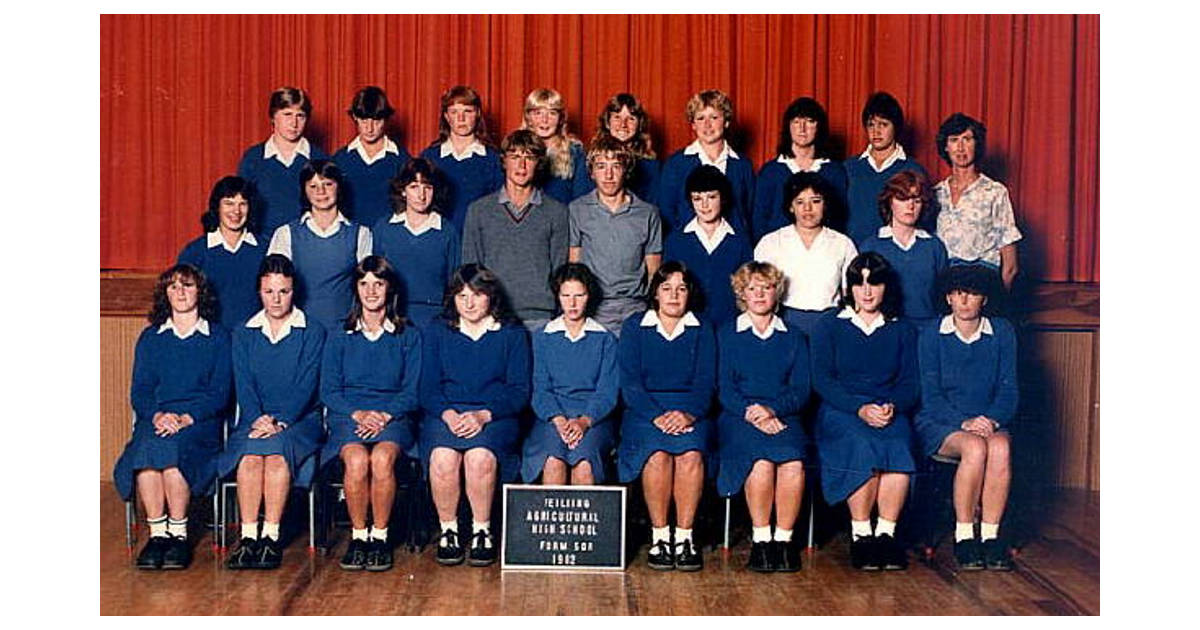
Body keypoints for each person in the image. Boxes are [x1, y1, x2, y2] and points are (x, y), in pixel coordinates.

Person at [113, 264, 232, 570]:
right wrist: (157, 416)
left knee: (174, 452)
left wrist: (186, 418)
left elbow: (220, 393)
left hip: (198, 423)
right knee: (147, 452)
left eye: (188, 286)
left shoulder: (218, 337)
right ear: (165, 294)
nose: (181, 292)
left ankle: (178, 535)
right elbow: (140, 392)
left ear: (199, 291)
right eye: (174, 287)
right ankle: (157, 535)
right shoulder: (151, 338)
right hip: (157, 420)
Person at [810, 253, 919, 571]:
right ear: (849, 287)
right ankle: (862, 535)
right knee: (862, 445)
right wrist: (858, 408)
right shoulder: (830, 324)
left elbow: (911, 383)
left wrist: (891, 407)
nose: (867, 291)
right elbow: (822, 379)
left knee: (898, 445)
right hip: (842, 410)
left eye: (875, 283)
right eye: (859, 283)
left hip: (887, 409)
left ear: (887, 287)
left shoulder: (902, 329)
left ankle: (886, 536)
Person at [219, 254, 326, 570]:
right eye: (269, 291)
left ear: (294, 291)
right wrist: (257, 418)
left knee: (277, 455)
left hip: (299, 421)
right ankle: (250, 537)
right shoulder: (243, 332)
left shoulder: (312, 330)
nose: (277, 299)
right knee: (251, 458)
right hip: (255, 419)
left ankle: (271, 537)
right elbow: (244, 384)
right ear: (259, 292)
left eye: (284, 291)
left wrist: (282, 421)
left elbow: (308, 385)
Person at [420, 264, 531, 567]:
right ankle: (449, 530)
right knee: (443, 458)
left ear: (490, 297)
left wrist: (484, 415)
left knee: (479, 457)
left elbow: (520, 391)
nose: (468, 303)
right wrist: (448, 414)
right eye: (461, 295)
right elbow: (427, 388)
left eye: (477, 295)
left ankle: (482, 530)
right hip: (446, 414)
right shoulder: (437, 330)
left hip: (494, 416)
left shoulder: (511, 332)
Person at [319, 256, 423, 572]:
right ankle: (359, 536)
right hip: (349, 417)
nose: (371, 291)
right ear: (356, 289)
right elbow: (329, 390)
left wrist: (384, 415)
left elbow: (413, 389)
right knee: (355, 460)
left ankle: (379, 536)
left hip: (394, 418)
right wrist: (359, 414)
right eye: (364, 284)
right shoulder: (340, 335)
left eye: (378, 283)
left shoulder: (408, 334)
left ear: (389, 288)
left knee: (381, 459)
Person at [915, 265, 1017, 571]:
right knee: (974, 447)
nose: (964, 300)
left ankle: (990, 536)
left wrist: (992, 420)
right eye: (958, 293)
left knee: (1000, 448)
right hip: (941, 423)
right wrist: (965, 424)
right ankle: (964, 536)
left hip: (988, 420)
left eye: (972, 294)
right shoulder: (932, 334)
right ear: (948, 297)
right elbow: (930, 397)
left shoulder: (1002, 332)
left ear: (983, 298)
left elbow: (1009, 391)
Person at [618, 262, 717, 572]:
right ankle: (661, 536)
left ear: (690, 294)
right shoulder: (635, 326)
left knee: (690, 455)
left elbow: (707, 381)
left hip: (690, 410)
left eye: (681, 289)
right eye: (666, 288)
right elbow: (630, 382)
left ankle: (685, 537)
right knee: (657, 455)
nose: (674, 296)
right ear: (655, 293)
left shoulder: (702, 328)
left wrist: (688, 414)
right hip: (645, 412)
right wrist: (656, 416)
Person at [716, 261, 811, 572]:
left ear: (777, 293)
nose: (759, 294)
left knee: (793, 462)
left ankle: (783, 541)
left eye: (766, 287)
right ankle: (761, 539)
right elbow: (724, 387)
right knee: (760, 461)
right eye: (751, 288)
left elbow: (801, 388)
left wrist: (773, 410)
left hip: (784, 415)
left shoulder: (794, 336)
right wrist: (753, 413)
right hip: (739, 416)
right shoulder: (727, 333)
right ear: (741, 293)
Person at [461, 129, 570, 332]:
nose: (521, 165)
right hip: (492, 317)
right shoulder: (479, 210)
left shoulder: (557, 212)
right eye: (515, 157)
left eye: (529, 158)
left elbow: (559, 271)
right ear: (504, 161)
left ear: (538, 163)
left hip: (540, 317)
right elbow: (470, 268)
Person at [522, 263, 619, 485]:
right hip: (553, 417)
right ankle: (553, 521)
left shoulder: (605, 339)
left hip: (593, 418)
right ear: (557, 296)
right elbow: (540, 388)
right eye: (566, 295)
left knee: (584, 464)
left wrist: (584, 421)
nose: (572, 303)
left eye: (579, 295)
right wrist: (558, 420)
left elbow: (607, 392)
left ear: (589, 296)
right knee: (553, 461)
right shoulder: (543, 338)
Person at [569, 136, 663, 336]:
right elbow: (574, 265)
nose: (609, 175)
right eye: (601, 166)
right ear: (592, 172)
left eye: (616, 166)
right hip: (595, 308)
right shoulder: (577, 210)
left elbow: (653, 270)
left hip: (635, 306)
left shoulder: (647, 213)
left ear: (626, 170)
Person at [268, 159, 372, 332]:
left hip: (345, 329)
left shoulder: (361, 234)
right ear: (304, 191)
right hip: (299, 330)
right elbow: (274, 288)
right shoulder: (286, 234)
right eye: (313, 186)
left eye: (328, 184)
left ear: (338, 187)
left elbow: (368, 288)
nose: (321, 192)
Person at [753, 171, 858, 337]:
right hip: (783, 322)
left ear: (825, 204)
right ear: (790, 206)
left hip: (829, 323)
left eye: (815, 201)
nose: (807, 209)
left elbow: (851, 295)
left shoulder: (843, 244)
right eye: (800, 202)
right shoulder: (771, 242)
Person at [933, 113, 1022, 291]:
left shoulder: (995, 192)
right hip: (946, 285)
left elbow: (1010, 265)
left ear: (977, 144)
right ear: (946, 147)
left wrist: (998, 302)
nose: (960, 147)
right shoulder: (935, 193)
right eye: (954, 140)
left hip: (982, 283)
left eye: (967, 139)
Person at [372, 157, 461, 328]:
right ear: (402, 191)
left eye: (427, 187)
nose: (421, 195)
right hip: (392, 317)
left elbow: (454, 283)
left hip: (435, 319)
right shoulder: (384, 228)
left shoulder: (447, 231)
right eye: (414, 187)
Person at [663, 165, 753, 327]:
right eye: (697, 199)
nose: (704, 205)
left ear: (723, 198)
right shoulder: (676, 241)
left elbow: (747, 290)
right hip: (688, 326)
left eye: (711, 197)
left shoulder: (740, 241)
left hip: (729, 324)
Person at [658, 90, 755, 235]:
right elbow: (666, 213)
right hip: (687, 247)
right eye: (701, 118)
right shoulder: (676, 164)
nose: (707, 125)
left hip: (734, 247)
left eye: (714, 117)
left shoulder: (742, 165)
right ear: (693, 125)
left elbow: (749, 212)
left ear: (726, 121)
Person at [859, 170, 949, 326]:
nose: (910, 206)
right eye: (902, 198)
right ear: (889, 201)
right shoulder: (871, 246)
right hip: (885, 327)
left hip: (927, 328)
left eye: (917, 200)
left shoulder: (934, 246)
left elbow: (943, 297)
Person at [752, 97, 848, 242]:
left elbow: (839, 219)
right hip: (778, 252)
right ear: (788, 127)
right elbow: (759, 220)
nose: (802, 128)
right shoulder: (770, 172)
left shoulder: (834, 171)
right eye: (796, 122)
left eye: (809, 121)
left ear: (818, 127)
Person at [177, 176, 267, 327]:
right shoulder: (194, 252)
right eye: (229, 203)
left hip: (254, 339)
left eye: (243, 204)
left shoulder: (265, 249)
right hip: (210, 339)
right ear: (216, 207)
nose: (236, 211)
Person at [238, 86, 329, 234]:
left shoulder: (319, 158)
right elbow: (241, 206)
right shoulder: (253, 158)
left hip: (305, 242)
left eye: (300, 116)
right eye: (287, 114)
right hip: (262, 243)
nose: (294, 123)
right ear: (273, 117)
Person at [843, 92, 927, 246]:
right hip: (853, 252)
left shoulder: (913, 169)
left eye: (883, 124)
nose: (876, 131)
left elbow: (922, 220)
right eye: (871, 124)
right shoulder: (849, 168)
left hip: (896, 253)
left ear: (895, 127)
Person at [419, 85, 505, 232]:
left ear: (477, 113)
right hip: (437, 239)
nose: (461, 118)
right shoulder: (429, 157)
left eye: (468, 111)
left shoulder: (493, 159)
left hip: (478, 238)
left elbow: (499, 210)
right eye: (454, 112)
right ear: (446, 116)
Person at [333, 86, 413, 229]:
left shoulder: (403, 160)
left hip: (389, 237)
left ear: (386, 119)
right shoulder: (340, 159)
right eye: (364, 120)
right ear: (355, 117)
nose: (369, 128)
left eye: (376, 121)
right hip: (350, 238)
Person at [522, 88, 591, 205]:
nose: (544, 120)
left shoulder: (575, 151)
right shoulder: (515, 149)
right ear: (528, 118)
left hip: (563, 220)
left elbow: (582, 199)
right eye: (538, 113)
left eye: (552, 113)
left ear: (561, 119)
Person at [590, 92, 661, 204]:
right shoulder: (594, 159)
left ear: (640, 124)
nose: (623, 124)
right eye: (617, 117)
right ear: (608, 122)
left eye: (631, 118)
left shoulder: (651, 166)